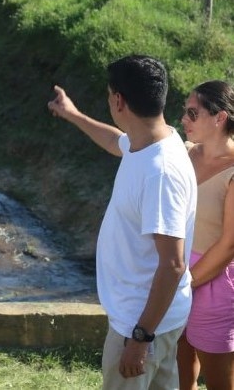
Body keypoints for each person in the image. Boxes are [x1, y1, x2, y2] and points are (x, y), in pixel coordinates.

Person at [47, 54, 197, 389]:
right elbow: (116, 141)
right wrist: (72, 114)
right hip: (158, 317)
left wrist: (141, 339)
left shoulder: (161, 173)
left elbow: (173, 264)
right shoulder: (153, 140)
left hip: (142, 323)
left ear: (118, 100)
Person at [177, 81, 234, 390]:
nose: (184, 119)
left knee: (220, 383)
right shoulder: (184, 153)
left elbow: (229, 246)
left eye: (192, 113)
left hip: (214, 286)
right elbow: (126, 140)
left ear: (219, 117)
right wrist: (75, 115)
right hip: (177, 274)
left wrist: (184, 283)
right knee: (181, 374)